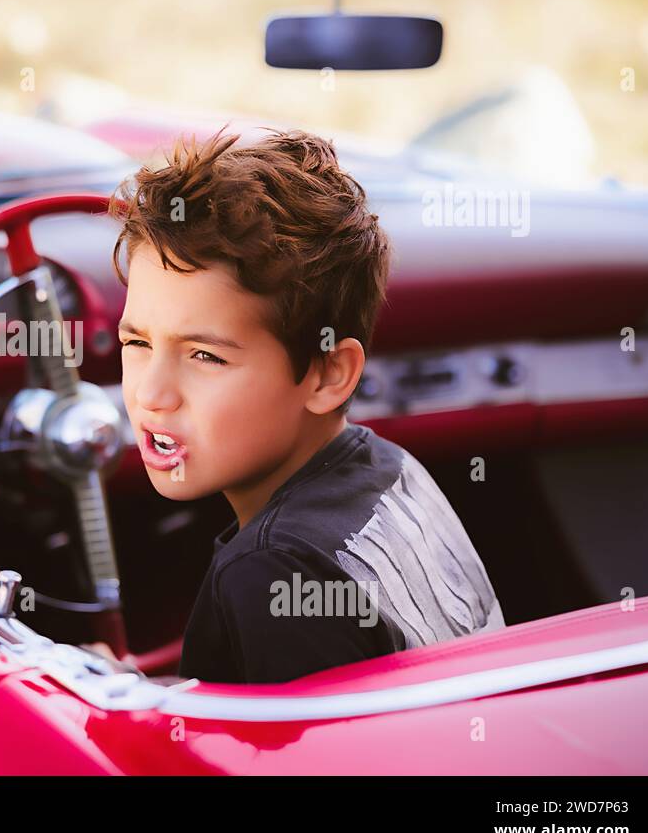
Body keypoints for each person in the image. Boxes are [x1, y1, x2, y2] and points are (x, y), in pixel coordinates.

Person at [105, 127, 504, 684]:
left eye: (205, 356)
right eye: (138, 343)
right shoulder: (391, 468)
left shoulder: (269, 575)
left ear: (327, 374)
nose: (152, 394)